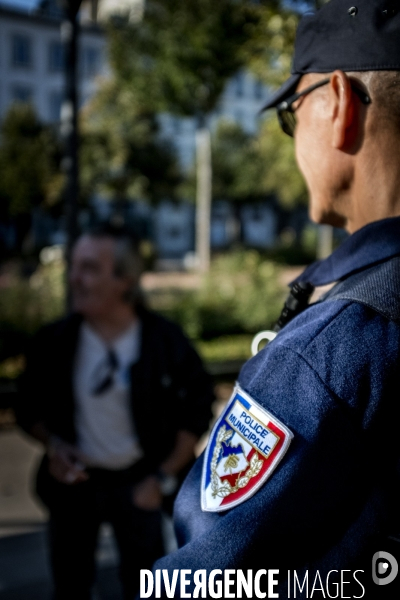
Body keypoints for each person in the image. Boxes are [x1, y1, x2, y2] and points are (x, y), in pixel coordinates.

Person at [145, 1, 400, 597]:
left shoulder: (331, 346)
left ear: (337, 104)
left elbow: (203, 582)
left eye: (291, 114)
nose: (290, 138)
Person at [15, 224, 214, 600]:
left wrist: (162, 478)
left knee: (145, 588)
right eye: (74, 267)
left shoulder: (165, 343)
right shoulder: (54, 342)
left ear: (126, 279)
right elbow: (28, 407)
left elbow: (196, 411)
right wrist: (55, 446)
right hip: (75, 489)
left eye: (89, 268)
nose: (74, 278)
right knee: (70, 586)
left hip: (140, 486)